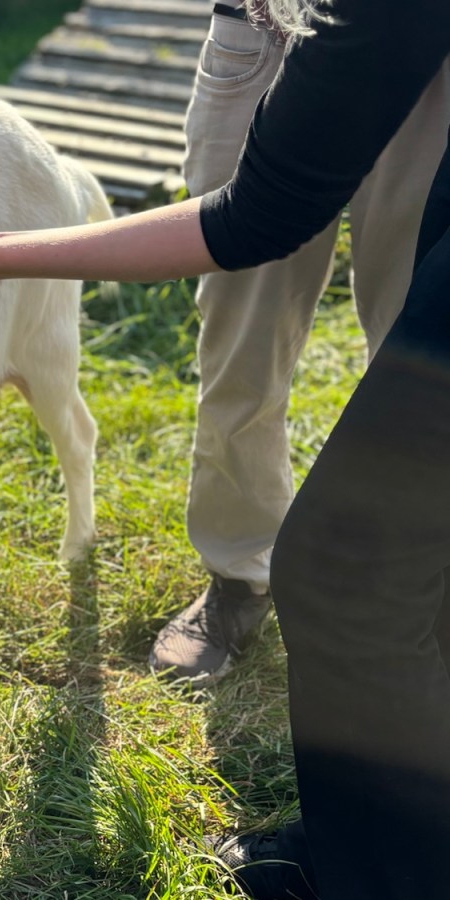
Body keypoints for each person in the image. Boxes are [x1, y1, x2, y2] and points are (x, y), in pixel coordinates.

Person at [0, 0, 450, 895]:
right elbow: (262, 212)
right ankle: (360, 830)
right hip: (301, 40)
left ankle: (373, 865)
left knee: (343, 568)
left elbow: (252, 216)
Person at [150, 0, 450, 681]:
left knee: (419, 341)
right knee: (240, 332)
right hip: (270, 26)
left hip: (434, 46)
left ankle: (410, 577)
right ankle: (237, 571)